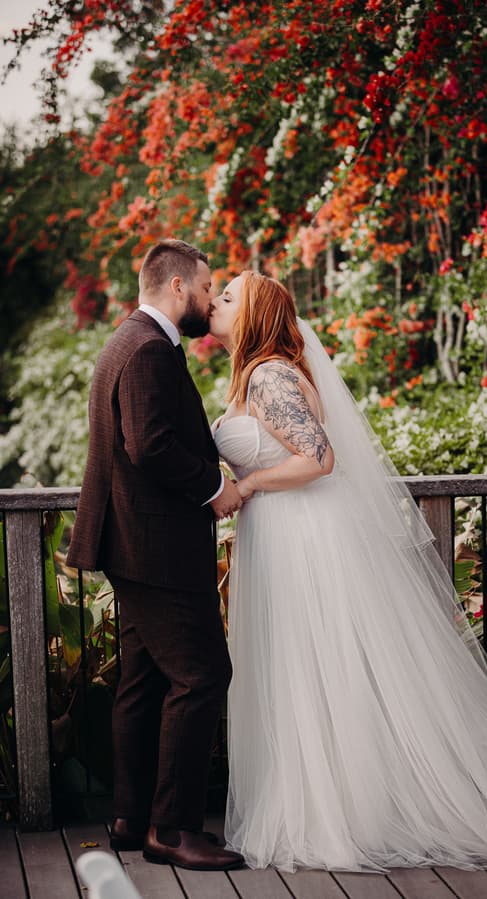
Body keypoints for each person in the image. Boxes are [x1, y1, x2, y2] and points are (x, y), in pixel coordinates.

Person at [209, 270, 487, 875]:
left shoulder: (268, 375)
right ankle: (325, 800)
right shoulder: (263, 373)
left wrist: (249, 484)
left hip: (300, 538)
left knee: (316, 664)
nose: (216, 302)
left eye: (228, 296)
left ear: (254, 314)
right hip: (281, 535)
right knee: (304, 667)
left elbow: (318, 458)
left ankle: (335, 813)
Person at [67, 239, 244, 871]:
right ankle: (172, 829)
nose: (206, 298)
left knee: (142, 682)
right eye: (204, 288)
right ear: (176, 287)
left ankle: (130, 816)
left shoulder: (126, 340)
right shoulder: (147, 350)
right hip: (157, 546)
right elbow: (150, 445)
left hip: (134, 543)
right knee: (201, 676)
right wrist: (217, 488)